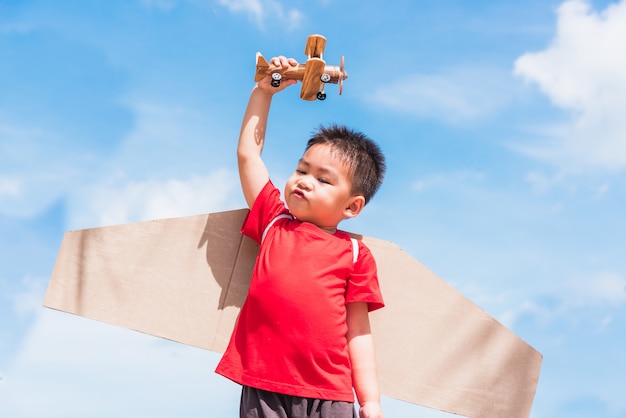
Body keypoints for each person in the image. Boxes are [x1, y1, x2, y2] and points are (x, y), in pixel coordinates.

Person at [215, 56, 386, 418]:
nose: (305, 180)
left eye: (324, 179)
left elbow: (358, 331)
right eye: (301, 169)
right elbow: (248, 155)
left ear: (352, 207)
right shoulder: (273, 222)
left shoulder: (355, 253)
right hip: (264, 387)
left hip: (331, 394)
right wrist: (264, 92)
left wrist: (370, 401)